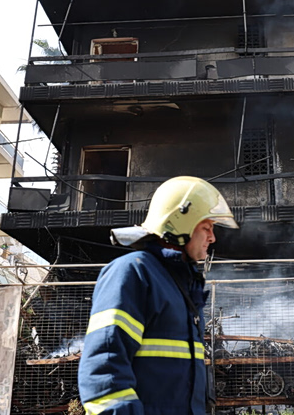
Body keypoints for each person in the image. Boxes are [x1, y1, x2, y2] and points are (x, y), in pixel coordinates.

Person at [78, 176, 238, 415]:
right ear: (180, 222)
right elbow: (105, 369)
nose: (212, 238)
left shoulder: (178, 285)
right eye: (206, 227)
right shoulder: (133, 272)